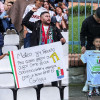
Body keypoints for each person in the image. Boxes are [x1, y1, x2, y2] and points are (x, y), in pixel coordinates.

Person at [80, 7, 100, 92]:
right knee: (89, 66)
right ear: (95, 15)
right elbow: (82, 34)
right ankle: (87, 83)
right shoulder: (87, 21)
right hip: (90, 46)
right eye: (99, 19)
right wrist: (83, 45)